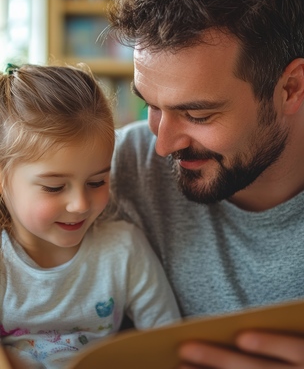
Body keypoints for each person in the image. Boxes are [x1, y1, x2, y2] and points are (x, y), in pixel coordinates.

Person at [105, 0, 304, 368]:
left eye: (198, 115)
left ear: (291, 88)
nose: (161, 145)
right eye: (151, 106)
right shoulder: (113, 169)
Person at [0, 63, 180, 369]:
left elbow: (169, 343)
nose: (80, 204)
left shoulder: (124, 250)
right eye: (55, 187)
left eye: (97, 182)